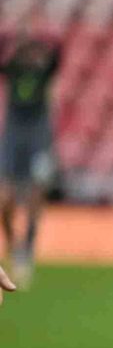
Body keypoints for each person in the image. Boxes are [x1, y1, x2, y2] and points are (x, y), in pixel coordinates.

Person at [1, 35, 60, 284]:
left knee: (36, 194)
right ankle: (14, 247)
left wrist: (38, 38)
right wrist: (16, 40)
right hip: (14, 135)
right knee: (4, 199)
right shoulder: (13, 70)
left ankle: (28, 247)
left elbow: (58, 54)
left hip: (38, 135)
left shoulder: (43, 73)